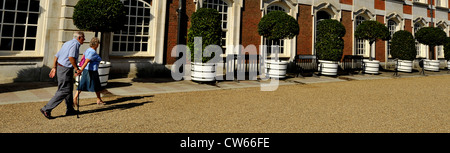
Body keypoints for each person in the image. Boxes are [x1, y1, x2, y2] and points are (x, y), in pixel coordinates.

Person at [40, 31, 85, 119]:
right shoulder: (75, 44)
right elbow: (71, 57)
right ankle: (46, 109)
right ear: (79, 38)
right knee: (64, 90)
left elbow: (56, 56)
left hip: (62, 68)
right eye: (83, 37)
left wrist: (54, 67)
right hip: (65, 69)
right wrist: (77, 69)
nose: (84, 39)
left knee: (68, 88)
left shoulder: (67, 43)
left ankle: (70, 109)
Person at [73, 37, 105, 106]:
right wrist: (80, 70)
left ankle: (98, 99)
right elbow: (86, 61)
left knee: (84, 84)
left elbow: (83, 58)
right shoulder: (92, 52)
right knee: (94, 85)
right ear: (96, 44)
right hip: (92, 71)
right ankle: (75, 98)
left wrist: (81, 68)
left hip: (88, 70)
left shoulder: (88, 50)